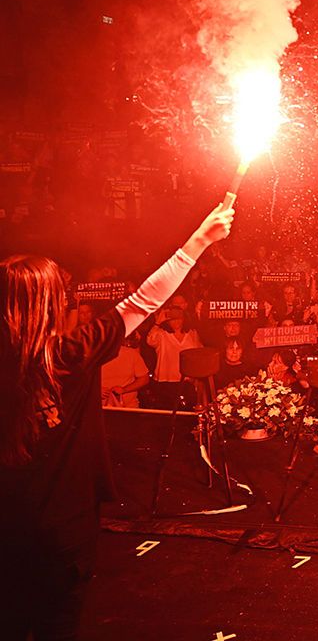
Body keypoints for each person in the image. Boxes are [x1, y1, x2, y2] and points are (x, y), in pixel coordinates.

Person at [1, 203, 234, 641]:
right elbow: (143, 300)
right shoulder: (73, 352)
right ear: (52, 305)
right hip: (63, 535)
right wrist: (199, 241)